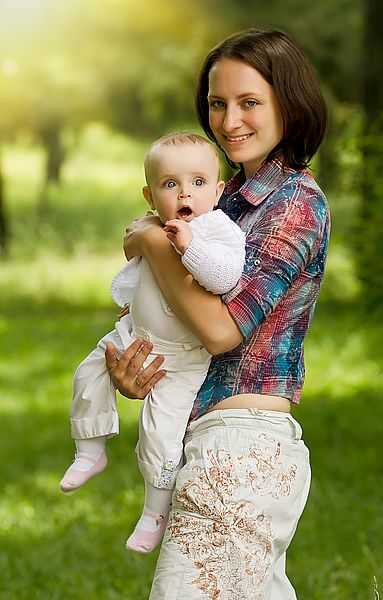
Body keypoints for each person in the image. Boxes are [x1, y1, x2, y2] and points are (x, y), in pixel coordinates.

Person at [106, 27, 330, 599]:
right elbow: (181, 322)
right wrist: (143, 372)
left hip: (244, 446)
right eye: (217, 103)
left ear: (289, 103)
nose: (229, 120)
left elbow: (223, 329)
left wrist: (155, 244)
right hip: (205, 437)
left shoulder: (295, 204)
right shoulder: (220, 198)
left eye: (250, 102)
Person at [59, 132, 246, 554]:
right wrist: (128, 307)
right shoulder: (156, 227)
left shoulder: (218, 231)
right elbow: (137, 279)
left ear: (217, 191)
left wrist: (187, 246)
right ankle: (89, 448)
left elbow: (224, 277)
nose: (185, 193)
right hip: (136, 335)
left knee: (159, 434)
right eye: (170, 184)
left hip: (180, 359)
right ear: (150, 194)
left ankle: (155, 511)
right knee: (88, 372)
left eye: (199, 183)